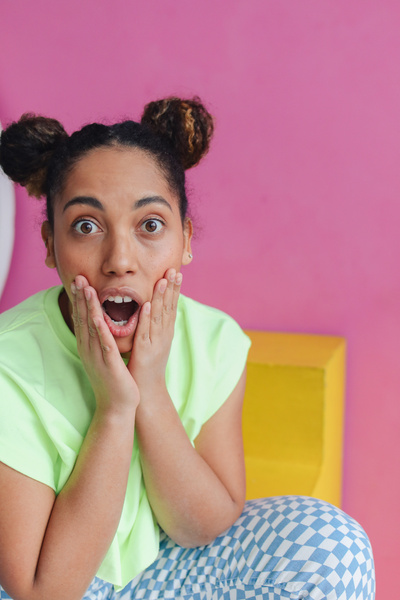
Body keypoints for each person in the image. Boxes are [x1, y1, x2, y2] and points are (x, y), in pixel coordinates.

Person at [0, 98, 375, 600]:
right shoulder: (10, 363)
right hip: (59, 582)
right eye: (86, 226)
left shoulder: (214, 341)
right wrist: (114, 410)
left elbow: (204, 527)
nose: (120, 260)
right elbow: (38, 591)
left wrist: (149, 390)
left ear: (186, 239)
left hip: (165, 573)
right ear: (50, 244)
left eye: (150, 225)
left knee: (333, 542)